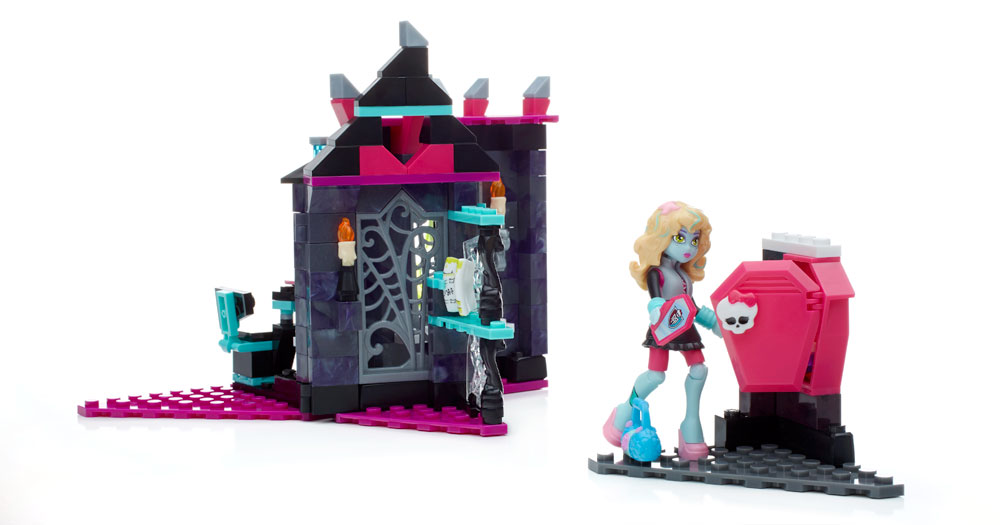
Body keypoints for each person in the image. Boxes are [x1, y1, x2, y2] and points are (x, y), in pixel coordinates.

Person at [603, 201, 721, 460]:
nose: (688, 247)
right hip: (663, 327)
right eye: (680, 238)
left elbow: (690, 305)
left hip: (685, 327)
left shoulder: (684, 276)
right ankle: (624, 411)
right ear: (661, 238)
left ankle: (691, 425)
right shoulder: (657, 273)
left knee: (699, 370)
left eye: (694, 240)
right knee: (656, 375)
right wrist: (656, 309)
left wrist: (713, 322)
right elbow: (656, 297)